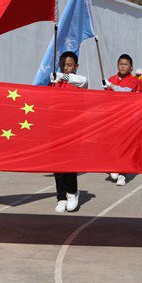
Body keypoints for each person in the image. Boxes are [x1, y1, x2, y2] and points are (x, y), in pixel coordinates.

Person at [50, 52, 89, 211]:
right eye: (63, 65)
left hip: (73, 128)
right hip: (56, 128)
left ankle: (72, 192)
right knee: (57, 164)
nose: (65, 68)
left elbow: (83, 81)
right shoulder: (54, 82)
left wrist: (60, 76)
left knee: (69, 162)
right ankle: (61, 197)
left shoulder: (79, 81)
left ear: (76, 66)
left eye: (69, 65)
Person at [103, 54, 140, 185]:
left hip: (127, 117)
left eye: (126, 64)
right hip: (113, 117)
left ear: (131, 68)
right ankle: (114, 166)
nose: (123, 66)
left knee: (124, 145)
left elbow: (125, 91)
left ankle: (122, 174)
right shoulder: (111, 79)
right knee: (113, 144)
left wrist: (110, 86)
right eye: (121, 64)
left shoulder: (134, 80)